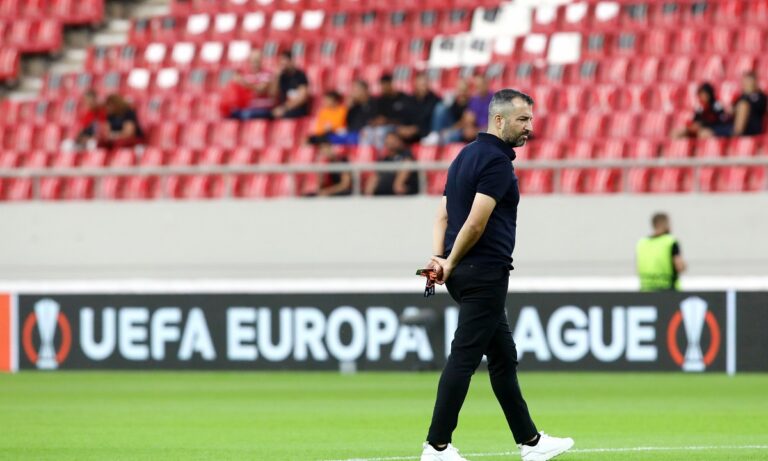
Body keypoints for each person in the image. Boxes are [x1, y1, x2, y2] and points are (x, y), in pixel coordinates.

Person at [421, 89, 574, 461]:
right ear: (499, 120)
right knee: (464, 357)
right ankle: (437, 446)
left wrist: (440, 258)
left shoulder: (463, 156)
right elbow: (475, 223)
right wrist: (450, 261)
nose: (529, 127)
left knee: (504, 358)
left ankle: (531, 442)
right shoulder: (496, 163)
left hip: (466, 272)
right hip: (483, 272)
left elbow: (443, 215)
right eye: (522, 119)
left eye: (530, 119)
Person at [636, 212, 686, 291]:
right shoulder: (670, 241)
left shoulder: (642, 243)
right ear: (665, 224)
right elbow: (680, 267)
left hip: (646, 290)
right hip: (668, 290)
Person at [222, 49, 276, 120]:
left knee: (245, 115)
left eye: (257, 61)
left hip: (264, 109)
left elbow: (261, 90)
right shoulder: (245, 75)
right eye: (253, 61)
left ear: (261, 60)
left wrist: (244, 83)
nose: (255, 63)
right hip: (248, 108)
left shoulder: (268, 74)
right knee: (230, 114)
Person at [360, 74, 411, 148]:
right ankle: (367, 153)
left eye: (385, 85)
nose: (383, 88)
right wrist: (376, 121)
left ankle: (380, 154)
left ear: (390, 84)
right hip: (384, 126)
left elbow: (404, 119)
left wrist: (387, 121)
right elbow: (377, 117)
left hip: (397, 126)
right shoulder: (381, 100)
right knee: (366, 131)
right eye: (382, 85)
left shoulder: (402, 98)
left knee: (379, 132)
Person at [365, 132, 418, 196]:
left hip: (400, 195)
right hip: (381, 195)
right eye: (389, 141)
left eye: (394, 140)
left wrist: (398, 184)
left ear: (400, 142)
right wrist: (368, 194)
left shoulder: (406, 155)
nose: (391, 142)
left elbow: (407, 166)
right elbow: (375, 177)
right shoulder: (383, 160)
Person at [424, 78, 472, 145]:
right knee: (440, 107)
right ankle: (435, 134)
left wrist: (449, 130)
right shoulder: (452, 101)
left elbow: (465, 123)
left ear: (468, 91)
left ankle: (441, 140)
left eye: (464, 90)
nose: (462, 93)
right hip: (451, 126)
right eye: (459, 90)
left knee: (450, 136)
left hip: (460, 130)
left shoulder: (471, 103)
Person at [397, 72, 440, 144]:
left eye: (425, 83)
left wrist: (415, 129)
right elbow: (404, 116)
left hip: (427, 134)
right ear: (415, 85)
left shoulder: (434, 100)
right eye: (421, 84)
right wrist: (403, 128)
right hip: (410, 133)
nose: (424, 86)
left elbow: (427, 119)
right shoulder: (409, 100)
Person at [272, 51, 310, 119]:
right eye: (281, 63)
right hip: (283, 108)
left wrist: (284, 108)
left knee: (285, 115)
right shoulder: (282, 77)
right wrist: (277, 77)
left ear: (291, 61)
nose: (283, 66)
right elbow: (273, 93)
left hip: (297, 108)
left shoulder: (300, 75)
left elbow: (302, 98)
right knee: (268, 115)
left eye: (285, 63)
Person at [731, 71, 767, 137]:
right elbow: (731, 111)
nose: (747, 84)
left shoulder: (761, 97)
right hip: (732, 126)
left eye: (749, 82)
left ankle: (736, 135)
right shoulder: (739, 97)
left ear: (755, 82)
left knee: (743, 106)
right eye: (745, 82)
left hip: (752, 129)